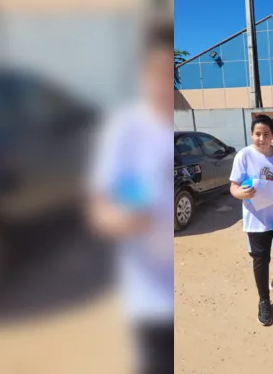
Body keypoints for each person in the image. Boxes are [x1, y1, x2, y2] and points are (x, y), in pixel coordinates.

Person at [88, 20, 174, 374]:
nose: (161, 83)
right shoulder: (125, 128)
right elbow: (100, 206)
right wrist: (122, 221)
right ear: (142, 72)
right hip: (148, 298)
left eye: (169, 73)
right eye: (154, 72)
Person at [229, 114, 273, 326]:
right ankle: (264, 301)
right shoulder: (244, 156)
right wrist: (240, 194)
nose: (262, 138)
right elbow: (233, 186)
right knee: (261, 260)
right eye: (257, 134)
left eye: (266, 134)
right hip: (256, 219)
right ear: (252, 134)